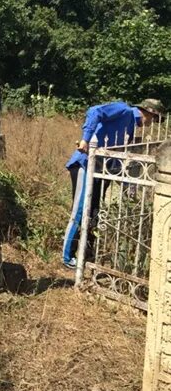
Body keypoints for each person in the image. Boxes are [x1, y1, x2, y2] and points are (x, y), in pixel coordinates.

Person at [62, 98, 164, 269]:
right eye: (154, 119)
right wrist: (86, 139)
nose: (152, 124)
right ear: (147, 112)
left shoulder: (131, 127)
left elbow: (117, 155)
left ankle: (84, 252)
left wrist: (127, 184)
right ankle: (67, 256)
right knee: (80, 210)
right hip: (86, 164)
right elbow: (95, 111)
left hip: (102, 170)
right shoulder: (123, 110)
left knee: (94, 212)